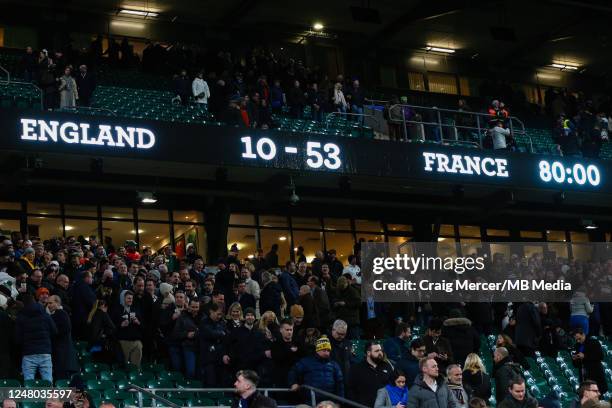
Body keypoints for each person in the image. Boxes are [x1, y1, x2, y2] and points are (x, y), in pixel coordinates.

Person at [15, 295, 57, 383]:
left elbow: (18, 339)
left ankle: (31, 397)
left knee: (28, 383)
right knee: (48, 382)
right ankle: (49, 397)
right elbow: (54, 331)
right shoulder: (45, 315)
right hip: (45, 352)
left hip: (28, 353)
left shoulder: (20, 317)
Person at [348, 342, 394, 407]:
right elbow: (351, 390)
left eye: (381, 350)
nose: (380, 353)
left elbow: (393, 386)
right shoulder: (356, 369)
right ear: (368, 353)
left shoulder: (387, 366)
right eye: (377, 351)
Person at [46, 295, 79, 380]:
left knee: (62, 383)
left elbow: (64, 330)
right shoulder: (60, 314)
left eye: (50, 303)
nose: (48, 305)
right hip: (63, 356)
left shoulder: (60, 314)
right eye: (47, 303)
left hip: (63, 357)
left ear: (57, 303)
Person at [572, 327, 608, 395]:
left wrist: (585, 356)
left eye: (579, 339)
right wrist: (575, 359)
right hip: (584, 377)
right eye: (576, 340)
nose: (578, 341)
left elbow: (600, 356)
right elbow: (576, 365)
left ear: (583, 334)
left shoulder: (594, 342)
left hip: (595, 375)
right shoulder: (577, 346)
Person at [113, 290, 144, 368]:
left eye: (131, 298)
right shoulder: (116, 310)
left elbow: (143, 326)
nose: (130, 300)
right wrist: (121, 325)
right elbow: (112, 327)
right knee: (124, 366)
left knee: (136, 367)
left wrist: (138, 322)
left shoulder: (136, 309)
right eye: (128, 298)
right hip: (123, 342)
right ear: (123, 299)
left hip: (136, 342)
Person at [171, 299, 201, 378]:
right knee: (190, 371)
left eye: (196, 307)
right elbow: (175, 334)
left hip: (201, 347)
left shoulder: (203, 317)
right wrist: (186, 334)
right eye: (193, 307)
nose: (195, 309)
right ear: (189, 306)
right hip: (188, 347)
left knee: (199, 373)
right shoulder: (182, 317)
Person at [199, 302, 226, 386]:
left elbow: (227, 335)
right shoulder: (204, 322)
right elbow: (210, 333)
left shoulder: (222, 322)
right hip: (208, 359)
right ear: (211, 311)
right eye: (218, 314)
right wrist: (221, 333)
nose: (219, 316)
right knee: (210, 382)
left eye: (221, 314)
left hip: (219, 359)